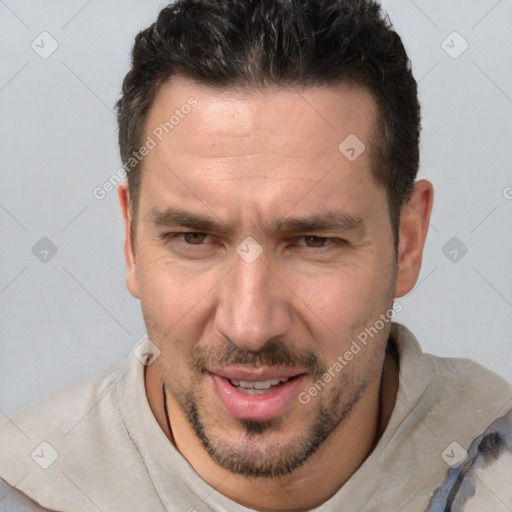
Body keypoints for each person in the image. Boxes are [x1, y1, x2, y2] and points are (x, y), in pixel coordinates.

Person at [1, 1, 511, 510]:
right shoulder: (23, 485)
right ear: (131, 241)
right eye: (194, 238)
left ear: (409, 242)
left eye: (314, 241)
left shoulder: (497, 464)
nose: (249, 326)